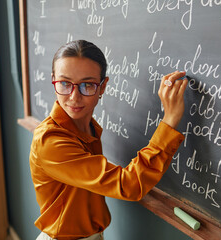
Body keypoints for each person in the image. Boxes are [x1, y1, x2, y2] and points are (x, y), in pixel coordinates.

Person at [29, 40, 188, 240]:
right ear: (54, 81)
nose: (74, 97)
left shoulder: (86, 127)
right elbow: (129, 185)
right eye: (64, 83)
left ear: (102, 87)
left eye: (87, 85)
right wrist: (170, 120)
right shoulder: (50, 141)